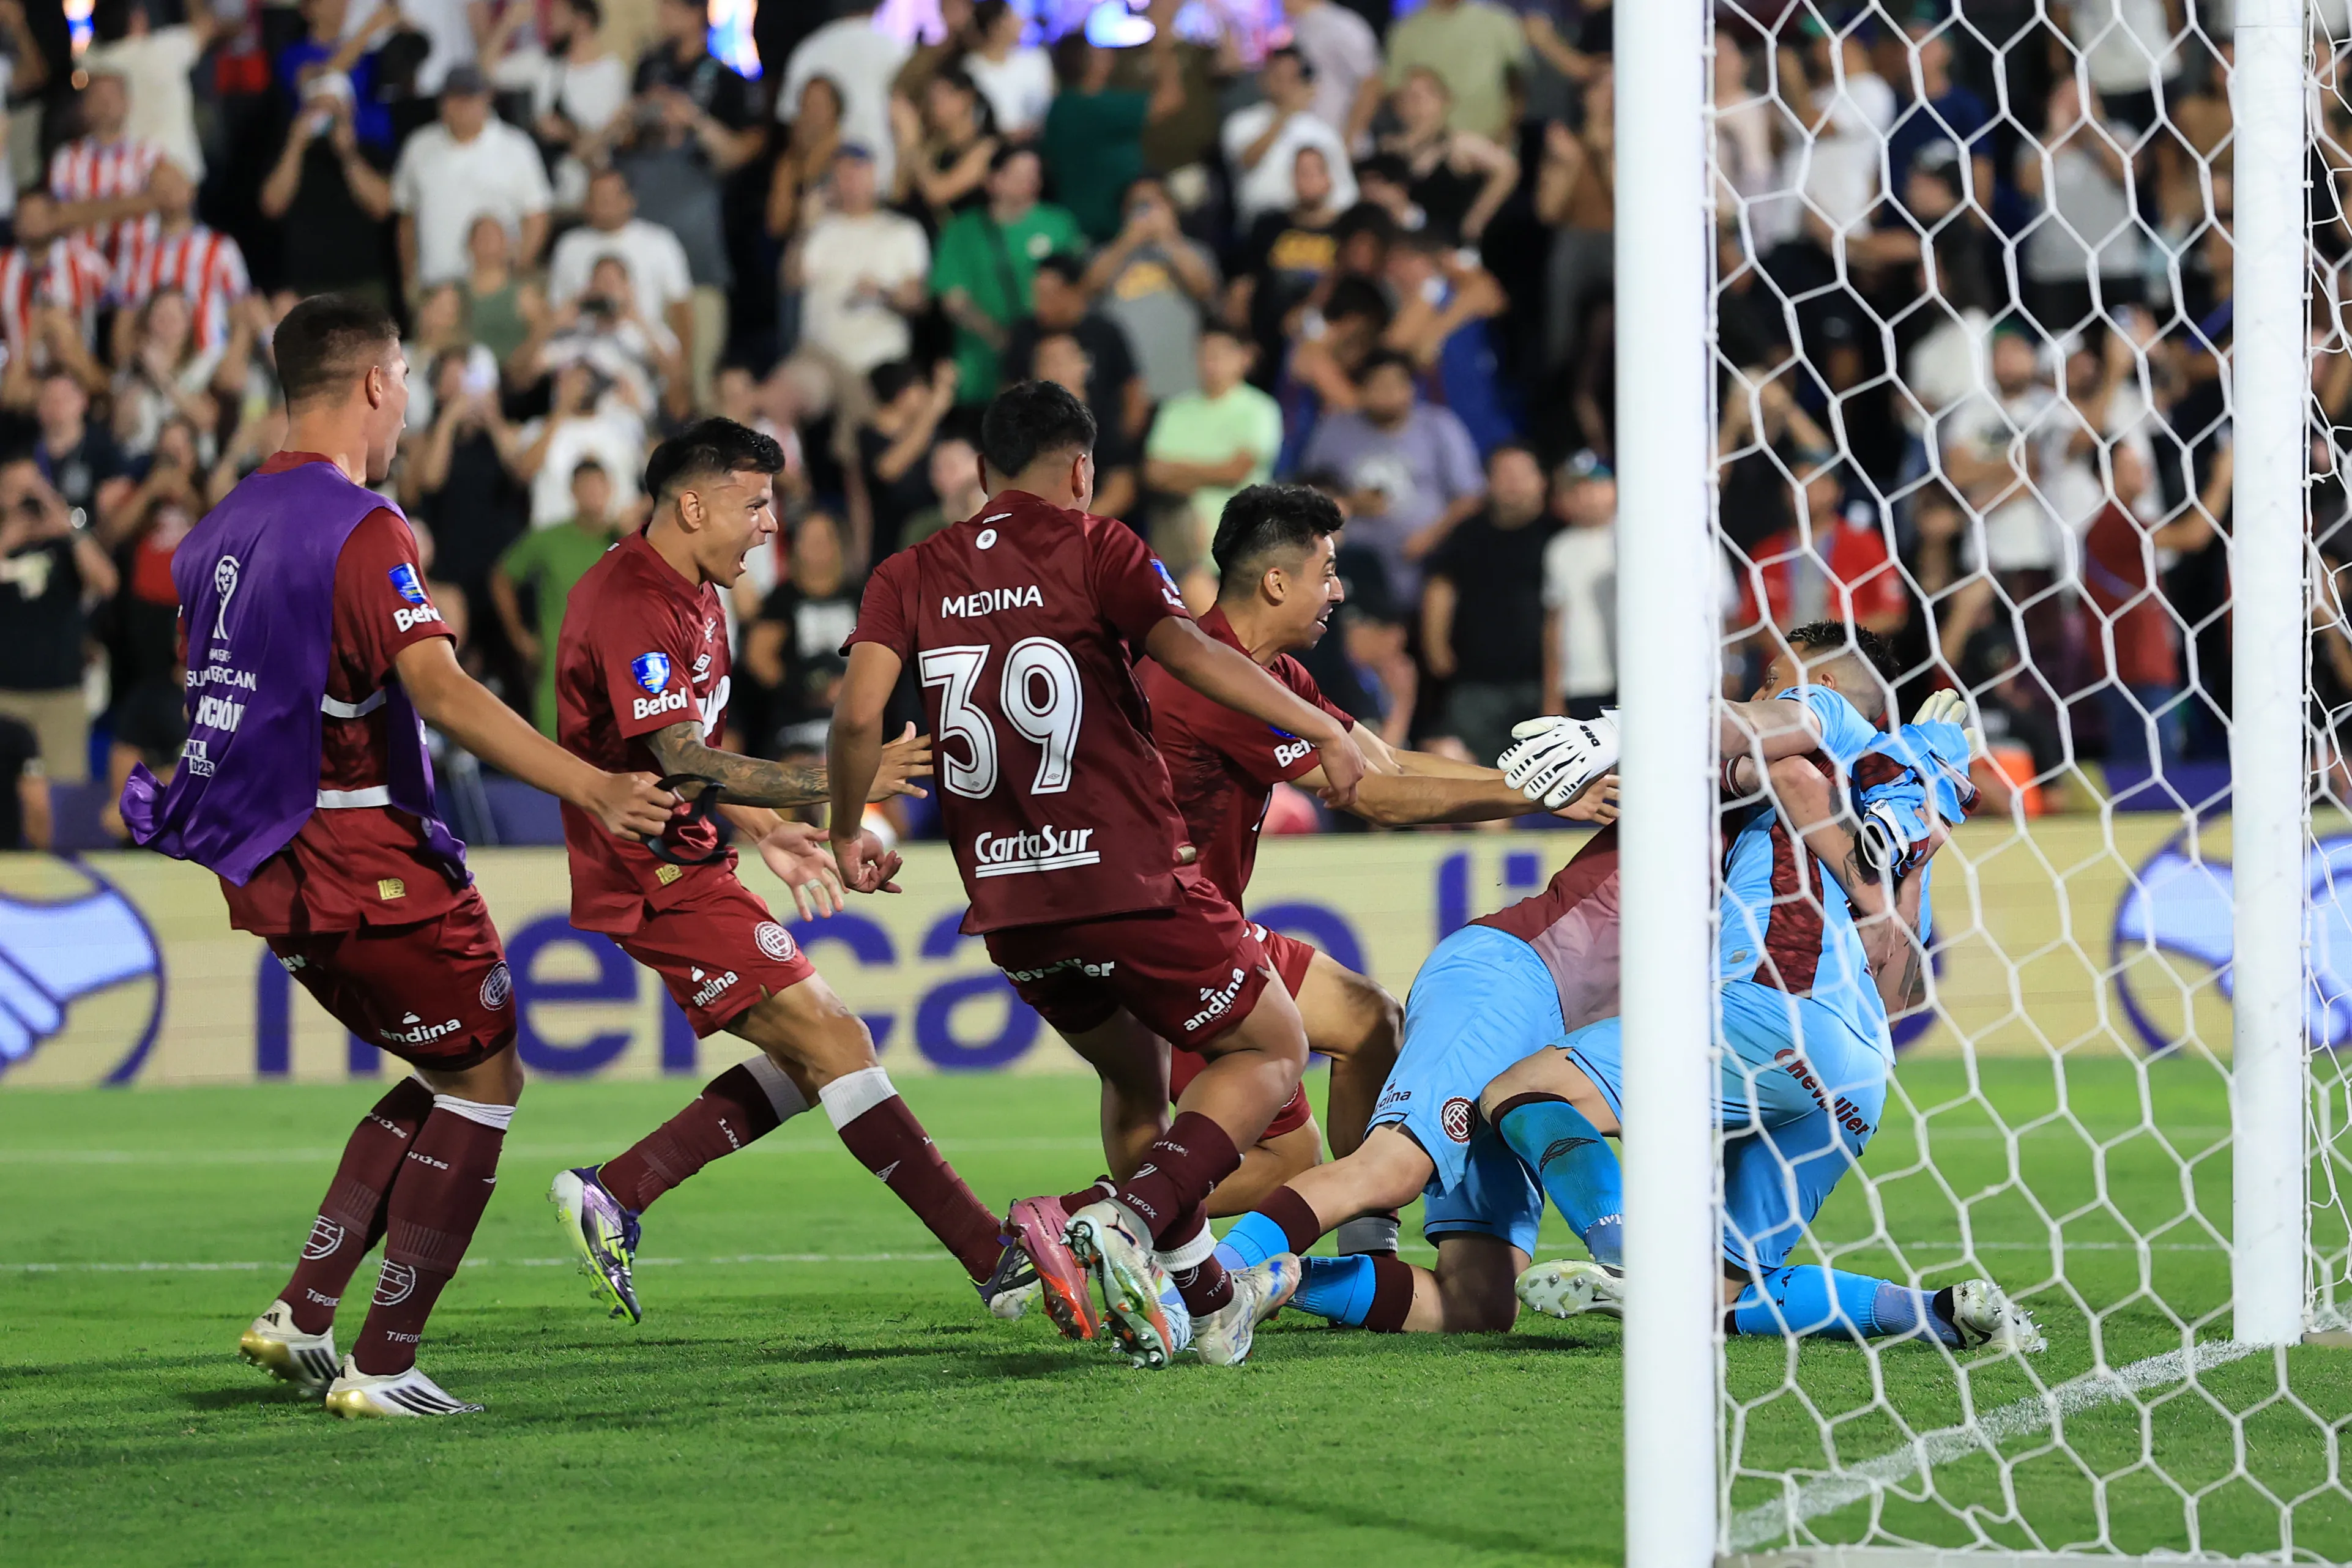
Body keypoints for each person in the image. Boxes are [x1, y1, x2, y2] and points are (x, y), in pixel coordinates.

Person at [120, 294, 671, 1418]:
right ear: (375, 383)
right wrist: (593, 785)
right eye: (407, 377)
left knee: (444, 1065)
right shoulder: (363, 526)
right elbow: (439, 690)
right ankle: (386, 1358)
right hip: (366, 852)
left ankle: (305, 1312)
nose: (409, 397)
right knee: (488, 1075)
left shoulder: (215, 531)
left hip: (273, 861)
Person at [828, 379, 1372, 1369]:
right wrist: (1321, 723)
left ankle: (1203, 1301)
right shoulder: (1099, 546)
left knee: (1133, 1083)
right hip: (1121, 875)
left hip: (1009, 905)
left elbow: (858, 715)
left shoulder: (908, 572)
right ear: (1079, 468)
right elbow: (1192, 654)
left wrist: (840, 829)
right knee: (1273, 1045)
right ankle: (1124, 1222)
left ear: (983, 470)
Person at [543, 418, 1023, 1329]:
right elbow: (682, 758)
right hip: (648, 870)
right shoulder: (631, 601)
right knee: (839, 1041)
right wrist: (851, 777)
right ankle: (993, 1256)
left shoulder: (696, 592)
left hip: (685, 856)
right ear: (692, 504)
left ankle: (616, 1189)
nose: (770, 523)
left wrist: (770, 827)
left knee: (813, 1061)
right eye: (754, 502)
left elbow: (693, 749)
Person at [1139, 483, 1611, 1216]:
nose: (1338, 589)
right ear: (1274, 581)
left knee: (1354, 1051)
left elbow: (1383, 758)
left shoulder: (1271, 671)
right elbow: (1372, 796)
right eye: (1326, 571)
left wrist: (1536, 782)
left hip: (1201, 920)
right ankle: (1091, 1221)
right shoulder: (1213, 677)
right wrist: (1533, 795)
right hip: (1170, 934)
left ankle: (1360, 1239)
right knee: (1307, 1113)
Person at [613, 0, 764, 401]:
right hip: (645, 253)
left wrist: (692, 118)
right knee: (645, 382)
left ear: (696, 13)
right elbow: (624, 143)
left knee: (699, 381)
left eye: (669, 7)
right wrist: (638, 115)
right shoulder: (649, 69)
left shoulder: (728, 79)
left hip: (699, 253)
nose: (661, 15)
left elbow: (742, 152)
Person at [1298, 349, 1486, 603]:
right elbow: (1305, 493)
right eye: (1378, 385)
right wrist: (1350, 503)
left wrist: (1431, 537)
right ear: (1361, 389)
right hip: (1350, 567)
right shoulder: (1334, 429)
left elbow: (1471, 496)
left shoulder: (1439, 426)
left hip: (1429, 562)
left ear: (1412, 388)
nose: (1389, 393)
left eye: (1397, 384)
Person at [1422, 444, 1558, 766]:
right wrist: (1436, 647)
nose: (1512, 482)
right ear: (1487, 481)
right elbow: (1440, 587)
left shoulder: (1559, 535)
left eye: (1522, 474)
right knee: (1471, 770)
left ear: (1542, 480)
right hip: (1475, 680)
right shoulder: (1467, 534)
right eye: (1503, 474)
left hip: (1543, 681)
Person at [930, 146, 1081, 403]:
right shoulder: (962, 230)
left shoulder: (1059, 224)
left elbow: (1079, 289)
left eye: (1035, 175)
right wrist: (1002, 339)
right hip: (981, 368)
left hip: (1049, 365)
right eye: (1020, 175)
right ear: (993, 180)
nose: (1031, 183)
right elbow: (953, 299)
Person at [0, 454, 115, 785]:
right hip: (5, 692)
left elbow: (107, 583)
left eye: (32, 489)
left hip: (60, 695)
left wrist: (67, 526)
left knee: (64, 795)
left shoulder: (67, 545)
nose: (25, 499)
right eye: (14, 490)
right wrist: (9, 540)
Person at [391, 64, 552, 292]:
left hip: (495, 289)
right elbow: (406, 217)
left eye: (470, 97)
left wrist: (517, 271)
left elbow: (537, 216)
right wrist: (410, 278)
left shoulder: (516, 146)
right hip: (436, 287)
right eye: (455, 98)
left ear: (487, 98)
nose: (462, 106)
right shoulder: (419, 146)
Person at [1142, 324, 1282, 567]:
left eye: (1220, 354)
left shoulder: (1260, 409)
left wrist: (1177, 469)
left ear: (1244, 358)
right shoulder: (1175, 409)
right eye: (1204, 353)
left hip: (1241, 546)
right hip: (1178, 543)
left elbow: (1236, 471)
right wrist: (1214, 470)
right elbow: (1152, 473)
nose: (1210, 363)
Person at [259, 72, 396, 305]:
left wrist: (348, 155)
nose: (327, 117)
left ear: (350, 111)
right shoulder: (289, 157)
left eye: (334, 109)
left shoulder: (371, 153)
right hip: (307, 288)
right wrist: (295, 145)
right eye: (318, 108)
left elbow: (383, 207)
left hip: (363, 285)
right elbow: (272, 206)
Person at [1082, 174, 1219, 405]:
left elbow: (1205, 290)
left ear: (1171, 207)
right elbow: (1088, 289)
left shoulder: (1196, 252)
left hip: (1182, 386)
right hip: (1123, 389)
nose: (1146, 213)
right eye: (1138, 205)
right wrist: (1127, 241)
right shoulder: (1106, 253)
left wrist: (1168, 238)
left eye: (1155, 203)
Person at [1038, 28, 1182, 244]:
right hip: (1109, 231)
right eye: (1099, 53)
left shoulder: (1059, 108)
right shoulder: (1094, 107)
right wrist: (1161, 46)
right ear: (1090, 63)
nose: (1109, 55)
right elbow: (1171, 99)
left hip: (1078, 224)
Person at [546, 168, 694, 365]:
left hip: (644, 345)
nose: (603, 205)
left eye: (609, 197)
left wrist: (682, 366)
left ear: (630, 200)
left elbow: (681, 309)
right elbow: (555, 306)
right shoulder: (569, 245)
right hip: (582, 346)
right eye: (596, 197)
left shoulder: (659, 242)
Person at [1003, 253, 1145, 447]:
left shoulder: (1105, 332)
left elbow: (1133, 390)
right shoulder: (1025, 334)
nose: (1039, 304)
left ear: (1073, 291)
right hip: (1042, 444)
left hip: (1104, 443)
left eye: (1048, 295)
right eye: (1037, 294)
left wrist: (1123, 446)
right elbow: (1008, 395)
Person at [1223, 46, 1359, 229]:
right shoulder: (1241, 123)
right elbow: (1246, 160)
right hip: (1262, 227)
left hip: (1315, 226)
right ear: (1262, 79)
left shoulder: (1322, 131)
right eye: (1277, 76)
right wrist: (1286, 113)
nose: (1283, 84)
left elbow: (1345, 191)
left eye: (1291, 77)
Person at [781, 0, 907, 192]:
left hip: (826, 192)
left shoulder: (810, 49)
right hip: (874, 186)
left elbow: (792, 128)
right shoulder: (899, 49)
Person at [47, 62, 163, 270]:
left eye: (112, 96)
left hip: (142, 264)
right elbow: (60, 216)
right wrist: (136, 203)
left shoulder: (150, 154)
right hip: (82, 268)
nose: (105, 104)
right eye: (98, 97)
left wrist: (89, 209)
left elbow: (164, 200)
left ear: (128, 102)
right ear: (83, 106)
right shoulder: (67, 158)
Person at [1380, 0, 1528, 144]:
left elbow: (1518, 88)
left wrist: (1505, 136)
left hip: (1494, 145)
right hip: (1426, 153)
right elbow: (1395, 94)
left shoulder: (1500, 21)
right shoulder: (1404, 31)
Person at [1541, 450, 1617, 718]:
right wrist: (1552, 693)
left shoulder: (1637, 537)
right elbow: (1555, 621)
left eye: (1597, 484)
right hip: (1582, 681)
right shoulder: (1559, 548)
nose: (1588, 495)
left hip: (1634, 677)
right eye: (1577, 488)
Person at [959, 0, 1053, 139]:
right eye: (1011, 16)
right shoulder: (970, 68)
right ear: (995, 26)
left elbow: (1051, 104)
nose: (1021, 21)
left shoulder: (1036, 59)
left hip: (1039, 141)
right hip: (994, 145)